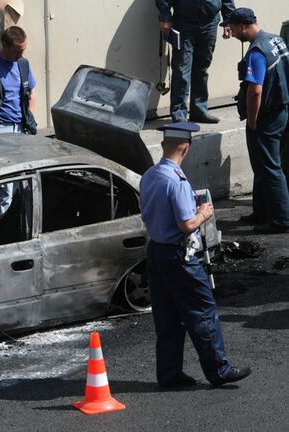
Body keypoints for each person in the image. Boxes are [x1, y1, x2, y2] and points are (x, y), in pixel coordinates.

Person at [140, 122, 251, 387]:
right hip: (179, 256)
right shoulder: (176, 181)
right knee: (202, 311)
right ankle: (219, 370)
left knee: (167, 317)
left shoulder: (149, 175)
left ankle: (169, 375)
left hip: (155, 251)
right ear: (186, 149)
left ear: (165, 145)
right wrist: (204, 213)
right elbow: (186, 224)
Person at [227, 8, 289, 233]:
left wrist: (252, 121)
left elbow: (255, 91)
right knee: (262, 165)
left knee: (270, 168)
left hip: (266, 118)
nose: (231, 33)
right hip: (281, 110)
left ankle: (281, 221)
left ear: (243, 26)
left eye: (233, 28)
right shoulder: (276, 40)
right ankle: (261, 212)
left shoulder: (257, 52)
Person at [156, 0, 235, 123]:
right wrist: (165, 17)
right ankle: (179, 114)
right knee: (182, 71)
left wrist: (229, 20)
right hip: (184, 23)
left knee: (202, 69)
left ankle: (199, 110)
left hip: (210, 22)